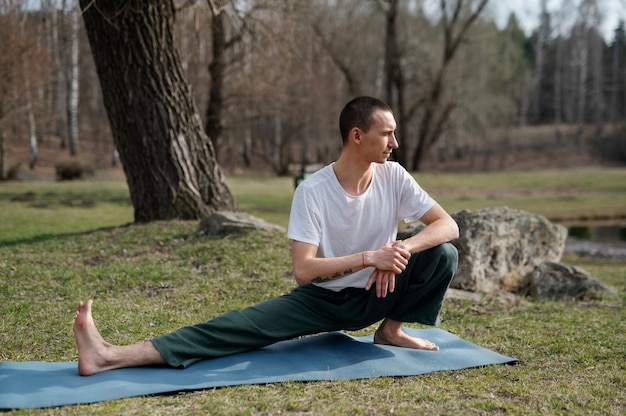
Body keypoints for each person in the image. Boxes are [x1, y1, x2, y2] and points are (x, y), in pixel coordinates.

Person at [73, 96, 459, 376]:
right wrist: (368, 257)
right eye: (387, 133)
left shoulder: (395, 177)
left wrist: (398, 248)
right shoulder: (313, 190)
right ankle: (108, 355)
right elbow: (304, 271)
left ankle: (391, 331)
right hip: (324, 300)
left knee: (442, 254)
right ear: (357, 136)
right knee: (235, 327)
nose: (395, 143)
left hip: (379, 294)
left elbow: (448, 226)